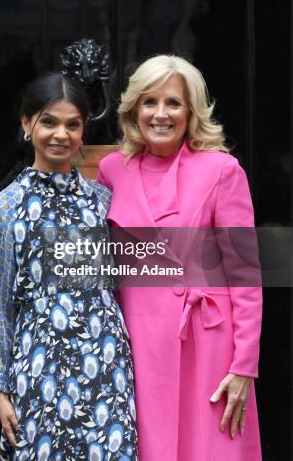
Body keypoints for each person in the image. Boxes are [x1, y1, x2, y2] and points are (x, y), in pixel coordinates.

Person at [97, 55, 262, 460]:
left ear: (191, 111)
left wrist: (243, 366)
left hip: (207, 344)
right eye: (149, 101)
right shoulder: (111, 169)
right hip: (137, 343)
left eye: (173, 102)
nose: (160, 114)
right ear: (134, 108)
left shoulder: (222, 170)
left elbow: (245, 274)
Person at [0, 72, 138, 461]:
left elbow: (124, 282)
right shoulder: (5, 207)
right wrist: (0, 387)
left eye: (73, 124)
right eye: (49, 121)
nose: (60, 134)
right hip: (39, 365)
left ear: (83, 131)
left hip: (106, 363)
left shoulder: (104, 202)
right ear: (26, 123)